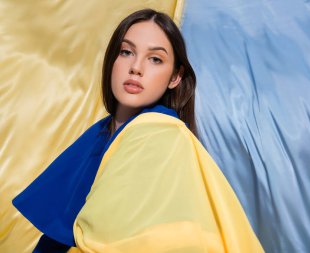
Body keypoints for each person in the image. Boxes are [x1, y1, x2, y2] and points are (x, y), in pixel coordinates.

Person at [13, 8, 264, 253]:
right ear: (112, 60)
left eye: (155, 59)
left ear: (175, 77)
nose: (136, 67)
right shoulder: (100, 136)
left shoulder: (159, 136)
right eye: (126, 52)